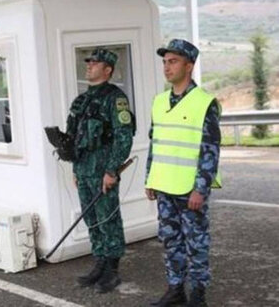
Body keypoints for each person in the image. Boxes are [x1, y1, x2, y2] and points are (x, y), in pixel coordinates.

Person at [145, 39, 221, 307]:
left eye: (173, 61)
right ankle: (176, 289)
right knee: (170, 241)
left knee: (196, 243)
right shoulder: (159, 101)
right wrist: (150, 178)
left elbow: (210, 149)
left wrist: (201, 188)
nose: (167, 67)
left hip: (190, 190)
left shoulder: (204, 102)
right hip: (164, 184)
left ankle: (198, 295)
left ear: (189, 66)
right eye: (165, 62)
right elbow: (156, 144)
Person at [66, 48, 134, 293]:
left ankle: (112, 270)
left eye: (95, 63)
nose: (90, 66)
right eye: (89, 62)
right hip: (84, 170)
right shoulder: (81, 100)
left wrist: (112, 170)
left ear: (108, 70)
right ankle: (99, 262)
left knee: (108, 218)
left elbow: (123, 137)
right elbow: (74, 138)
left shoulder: (115, 99)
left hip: (103, 171)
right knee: (91, 219)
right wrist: (75, 168)